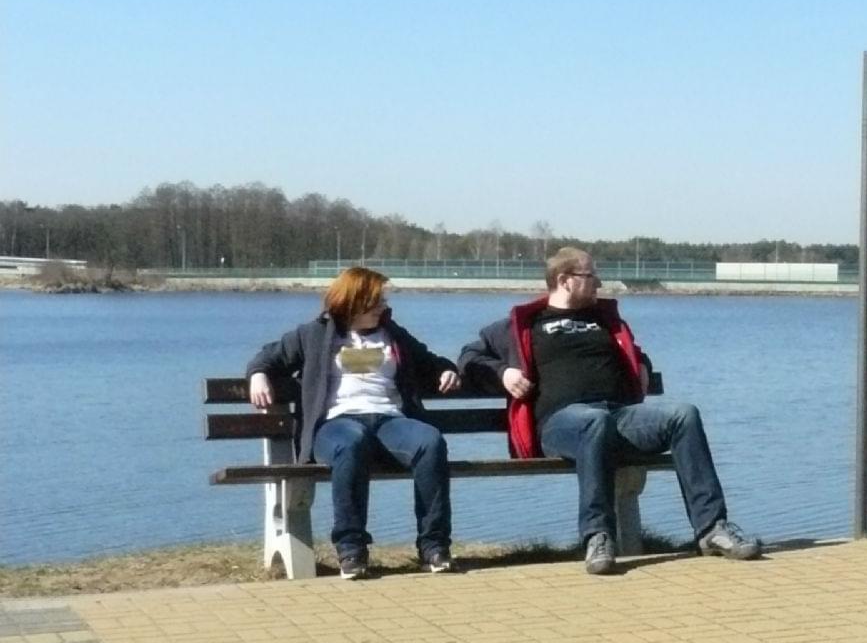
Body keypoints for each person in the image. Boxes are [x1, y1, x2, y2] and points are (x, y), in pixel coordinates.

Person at [458, 247, 761, 574]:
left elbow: (633, 353)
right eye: (591, 276)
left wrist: (642, 364)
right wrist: (504, 373)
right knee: (594, 421)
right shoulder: (523, 324)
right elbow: (469, 358)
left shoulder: (604, 320)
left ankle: (711, 528)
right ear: (565, 280)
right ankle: (598, 536)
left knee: (683, 415)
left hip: (618, 418)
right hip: (562, 425)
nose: (599, 283)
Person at [245, 266, 461, 579]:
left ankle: (434, 547)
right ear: (353, 301)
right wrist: (258, 375)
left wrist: (446, 370)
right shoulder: (314, 334)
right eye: (376, 301)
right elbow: (269, 357)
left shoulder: (393, 335)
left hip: (389, 420)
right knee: (352, 442)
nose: (383, 306)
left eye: (383, 300)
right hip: (336, 425)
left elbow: (430, 360)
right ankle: (351, 550)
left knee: (430, 441)